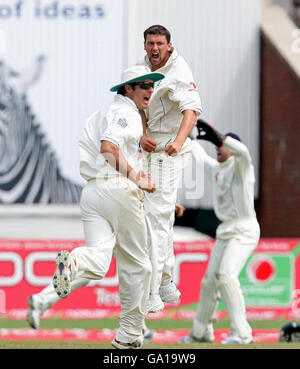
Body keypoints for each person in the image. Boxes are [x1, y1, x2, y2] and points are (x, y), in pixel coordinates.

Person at [31, 65, 165, 350]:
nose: (150, 90)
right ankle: (128, 335)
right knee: (138, 266)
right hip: (119, 189)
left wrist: (137, 143)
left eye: (152, 86)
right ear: (127, 89)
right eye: (144, 85)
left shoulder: (101, 114)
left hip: (92, 193)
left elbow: (105, 143)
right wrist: (137, 176)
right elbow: (108, 147)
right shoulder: (128, 112)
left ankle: (75, 261)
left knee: (99, 261)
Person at [179, 120, 260, 345]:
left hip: (244, 228)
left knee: (225, 276)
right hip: (225, 230)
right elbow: (199, 157)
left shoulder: (241, 166)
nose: (217, 149)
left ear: (230, 146)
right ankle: (201, 332)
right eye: (216, 145)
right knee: (209, 282)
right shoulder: (218, 170)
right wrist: (189, 137)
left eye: (221, 146)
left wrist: (220, 137)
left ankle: (242, 334)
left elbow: (243, 152)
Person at [139, 25, 202, 312]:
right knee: (158, 216)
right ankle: (166, 281)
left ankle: (154, 291)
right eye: (150, 43)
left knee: (154, 216)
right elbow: (138, 106)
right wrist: (141, 134)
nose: (154, 48)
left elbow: (192, 111)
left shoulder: (179, 72)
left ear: (169, 45)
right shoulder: (142, 66)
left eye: (159, 44)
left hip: (168, 149)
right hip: (148, 147)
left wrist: (178, 141)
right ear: (145, 45)